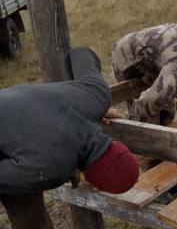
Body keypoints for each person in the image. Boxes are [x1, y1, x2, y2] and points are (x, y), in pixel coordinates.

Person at [0, 48, 140, 229]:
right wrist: (58, 164)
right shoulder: (49, 169)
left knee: (27, 205)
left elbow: (81, 53)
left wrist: (87, 108)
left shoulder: (96, 95)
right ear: (92, 181)